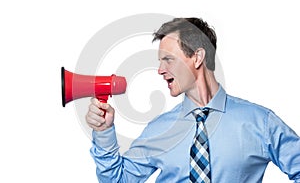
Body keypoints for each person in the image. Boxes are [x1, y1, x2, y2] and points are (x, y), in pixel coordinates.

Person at [86, 17, 300, 182]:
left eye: (168, 60)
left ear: (197, 57)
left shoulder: (260, 122)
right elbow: (118, 180)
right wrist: (104, 132)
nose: (160, 70)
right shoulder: (159, 129)